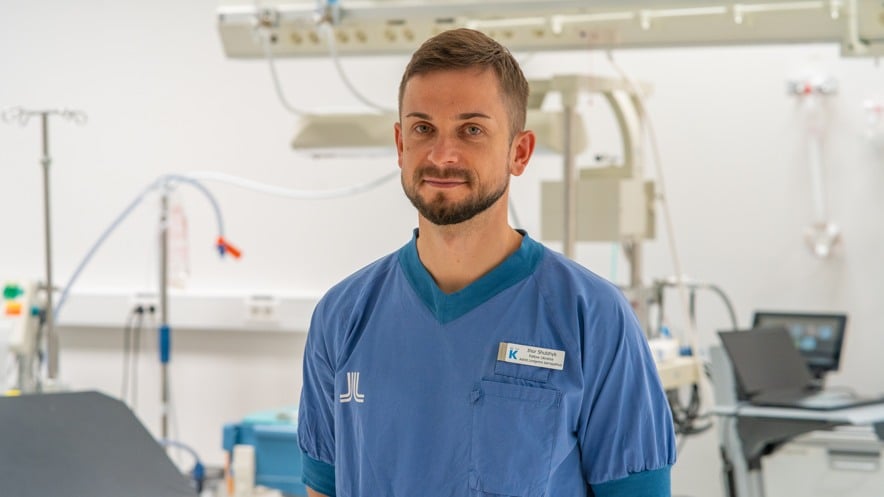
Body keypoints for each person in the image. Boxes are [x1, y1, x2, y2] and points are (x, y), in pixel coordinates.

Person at [298, 28, 676, 497]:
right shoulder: (342, 316)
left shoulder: (591, 316)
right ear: (400, 144)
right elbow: (322, 488)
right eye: (423, 129)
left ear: (519, 152)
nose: (442, 154)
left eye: (471, 130)